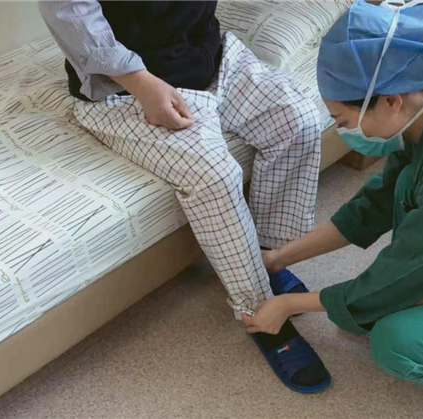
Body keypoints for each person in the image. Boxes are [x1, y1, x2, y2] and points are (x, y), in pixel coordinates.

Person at [242, 1, 423, 417]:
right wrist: (280, 257)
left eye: (342, 119)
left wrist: (288, 305)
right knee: (407, 185)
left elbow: (406, 268)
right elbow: (376, 203)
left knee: (395, 342)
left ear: (391, 101)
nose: (343, 130)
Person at [38, 1, 330, 393]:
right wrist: (140, 81)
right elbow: (70, 12)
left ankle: (268, 258)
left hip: (210, 55)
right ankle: (258, 309)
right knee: (215, 175)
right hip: (124, 86)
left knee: (299, 123)